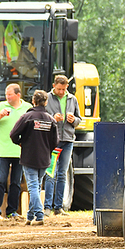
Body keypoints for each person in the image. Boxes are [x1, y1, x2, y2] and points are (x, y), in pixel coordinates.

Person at [10, 90, 59, 226]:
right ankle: (30, 216)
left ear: (33, 101)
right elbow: (55, 141)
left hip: (29, 157)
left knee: (32, 186)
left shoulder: (27, 117)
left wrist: (20, 143)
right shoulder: (51, 120)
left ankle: (39, 215)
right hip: (44, 159)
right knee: (36, 186)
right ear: (46, 102)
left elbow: (13, 134)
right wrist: (47, 149)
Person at [0, 83, 32, 220]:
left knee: (16, 182)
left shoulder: (27, 108)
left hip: (20, 152)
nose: (7, 97)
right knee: (0, 180)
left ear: (18, 95)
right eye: (6, 94)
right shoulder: (1, 106)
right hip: (4, 151)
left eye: (10, 94)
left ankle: (12, 211)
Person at [43, 75, 82, 216]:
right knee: (50, 173)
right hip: (53, 141)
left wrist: (74, 120)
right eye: (59, 89)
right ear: (54, 86)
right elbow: (42, 117)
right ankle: (47, 207)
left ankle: (58, 207)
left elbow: (79, 119)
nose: (61, 92)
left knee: (62, 174)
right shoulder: (47, 98)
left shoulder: (73, 99)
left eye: (64, 89)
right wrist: (53, 118)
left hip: (68, 140)